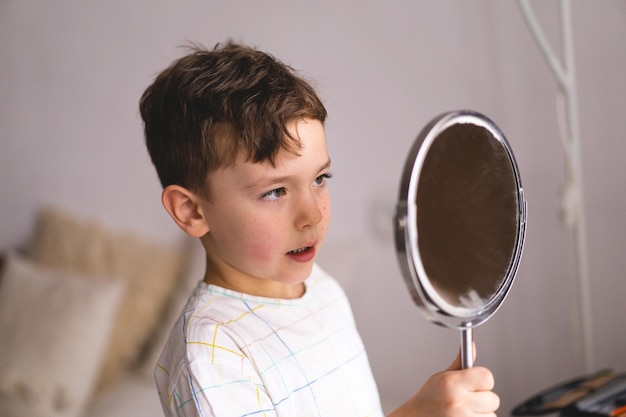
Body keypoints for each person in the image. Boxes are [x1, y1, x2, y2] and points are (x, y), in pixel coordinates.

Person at [139, 41, 500, 417]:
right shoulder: (209, 356)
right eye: (275, 191)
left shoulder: (321, 288)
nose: (311, 215)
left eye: (319, 178)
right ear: (191, 210)